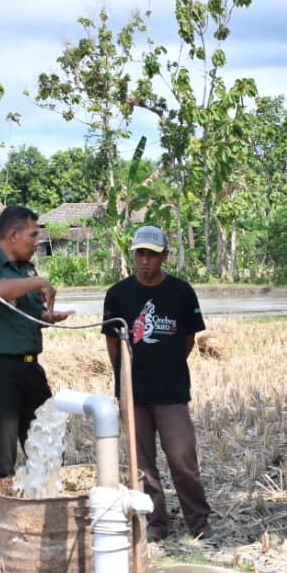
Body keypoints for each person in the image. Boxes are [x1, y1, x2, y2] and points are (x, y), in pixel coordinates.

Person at [102, 225, 212, 541]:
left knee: (182, 457)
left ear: (165, 255)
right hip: (133, 393)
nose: (145, 260)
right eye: (140, 253)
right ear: (133, 255)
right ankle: (156, 521)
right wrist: (124, 379)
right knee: (142, 464)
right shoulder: (118, 294)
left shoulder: (181, 292)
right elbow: (113, 343)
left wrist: (170, 364)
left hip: (172, 390)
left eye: (152, 254)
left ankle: (198, 520)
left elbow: (189, 338)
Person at [0, 205, 74, 519]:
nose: (36, 241)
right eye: (32, 234)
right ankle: (4, 527)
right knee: (1, 459)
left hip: (30, 369)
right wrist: (39, 282)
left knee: (47, 446)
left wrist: (46, 318)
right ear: (13, 235)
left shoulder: (24, 270)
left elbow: (22, 316)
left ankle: (45, 519)